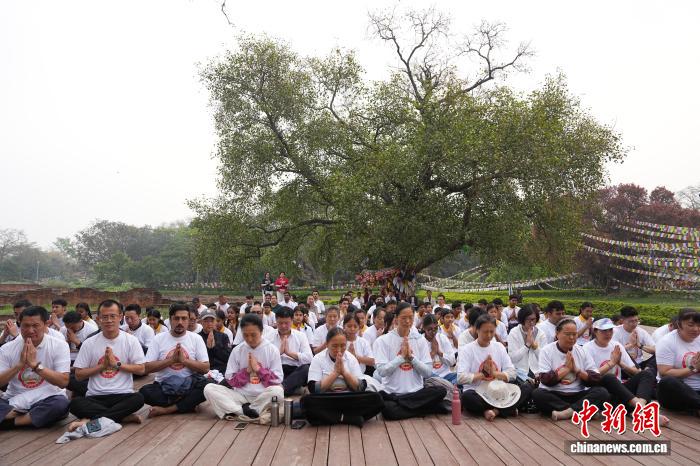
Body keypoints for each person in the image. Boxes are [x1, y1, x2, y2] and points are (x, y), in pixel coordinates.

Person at [68, 300, 146, 431]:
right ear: (98, 319)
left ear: (120, 317)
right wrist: (101, 366)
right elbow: (79, 375)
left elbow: (141, 369)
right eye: (104, 317)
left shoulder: (131, 341)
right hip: (95, 396)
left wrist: (117, 364)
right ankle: (120, 416)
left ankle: (91, 421)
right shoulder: (89, 343)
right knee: (75, 404)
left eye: (112, 316)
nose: (109, 320)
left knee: (138, 398)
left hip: (122, 395)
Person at [373, 302, 448, 420]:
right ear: (396, 318)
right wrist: (401, 357)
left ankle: (405, 405)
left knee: (441, 390)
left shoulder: (419, 340)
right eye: (404, 318)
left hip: (416, 392)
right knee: (387, 409)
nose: (407, 321)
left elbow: (428, 372)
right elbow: (382, 371)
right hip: (393, 393)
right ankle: (425, 408)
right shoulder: (383, 341)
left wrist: (412, 358)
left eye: (410, 318)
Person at [203, 314, 284, 421]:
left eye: (253, 335)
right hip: (240, 396)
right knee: (209, 389)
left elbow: (277, 379)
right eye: (245, 335)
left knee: (277, 391)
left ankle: (244, 410)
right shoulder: (237, 350)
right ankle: (245, 411)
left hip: (263, 395)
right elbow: (230, 379)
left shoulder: (272, 350)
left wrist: (258, 369)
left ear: (261, 331)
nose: (249, 339)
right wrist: (247, 371)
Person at [0, 305, 70, 428]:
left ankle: (10, 422)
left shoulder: (59, 345)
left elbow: (63, 382)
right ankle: (28, 417)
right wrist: (19, 365)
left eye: (35, 326)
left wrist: (35, 365)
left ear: (46, 324)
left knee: (60, 404)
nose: (30, 330)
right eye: (26, 326)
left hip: (47, 398)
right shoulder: (7, 348)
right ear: (19, 325)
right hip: (14, 399)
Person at [301, 327, 384, 426]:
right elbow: (314, 389)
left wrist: (344, 372)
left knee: (377, 399)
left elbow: (361, 387)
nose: (339, 350)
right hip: (327, 399)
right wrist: (335, 373)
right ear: (327, 345)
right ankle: (348, 418)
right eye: (334, 346)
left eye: (343, 346)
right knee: (306, 402)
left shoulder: (351, 358)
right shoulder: (318, 359)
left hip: (349, 398)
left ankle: (332, 417)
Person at [140, 303, 211, 418]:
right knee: (144, 393)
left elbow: (205, 368)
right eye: (176, 318)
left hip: (189, 385)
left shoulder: (196, 339)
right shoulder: (158, 339)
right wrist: (171, 361)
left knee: (209, 386)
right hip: (164, 386)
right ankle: (187, 404)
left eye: (184, 318)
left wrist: (184, 361)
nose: (180, 322)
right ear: (170, 320)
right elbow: (146, 368)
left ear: (189, 320)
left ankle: (168, 409)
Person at [584, 318, 663, 419]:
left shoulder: (616, 346)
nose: (608, 334)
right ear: (595, 331)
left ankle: (639, 407)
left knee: (646, 374)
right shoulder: (587, 348)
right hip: (602, 394)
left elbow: (636, 371)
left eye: (610, 330)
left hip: (621, 393)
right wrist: (611, 363)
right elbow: (590, 376)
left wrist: (621, 363)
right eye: (604, 331)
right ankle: (643, 410)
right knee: (609, 377)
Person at [532, 319, 609, 421]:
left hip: (577, 394)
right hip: (555, 394)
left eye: (574, 334)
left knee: (602, 392)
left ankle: (567, 412)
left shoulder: (582, 351)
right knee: (538, 394)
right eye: (567, 334)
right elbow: (545, 380)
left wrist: (577, 370)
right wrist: (566, 369)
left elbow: (595, 378)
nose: (572, 337)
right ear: (557, 333)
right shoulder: (546, 351)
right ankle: (581, 411)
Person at [458, 315, 524, 420]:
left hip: (499, 392)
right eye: (485, 332)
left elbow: (512, 373)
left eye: (492, 331)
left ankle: (494, 411)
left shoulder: (499, 347)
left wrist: (494, 374)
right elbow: (460, 378)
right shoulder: (467, 350)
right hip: (478, 393)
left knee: (525, 388)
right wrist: (482, 374)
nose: (489, 335)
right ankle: (507, 408)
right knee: (467, 397)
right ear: (477, 330)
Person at [656, 308, 700, 415]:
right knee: (667, 382)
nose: (696, 329)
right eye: (691, 325)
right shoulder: (667, 342)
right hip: (677, 393)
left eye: (699, 325)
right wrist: (693, 368)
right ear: (679, 325)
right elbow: (664, 372)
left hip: (698, 390)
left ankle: (696, 406)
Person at [264, 307, 313, 396]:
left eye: (286, 323)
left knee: (306, 369)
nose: (283, 326)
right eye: (280, 323)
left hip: (294, 371)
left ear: (292, 320)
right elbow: (263, 360)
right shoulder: (268, 336)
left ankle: (281, 389)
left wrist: (289, 353)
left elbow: (309, 358)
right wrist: (278, 353)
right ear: (276, 321)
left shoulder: (300, 336)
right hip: (276, 369)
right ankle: (292, 389)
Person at [507, 305, 547, 383]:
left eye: (533, 319)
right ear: (522, 319)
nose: (531, 322)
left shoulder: (541, 334)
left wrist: (535, 347)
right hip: (519, 371)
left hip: (537, 371)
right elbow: (512, 358)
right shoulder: (514, 333)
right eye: (528, 319)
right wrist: (527, 345)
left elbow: (544, 358)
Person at [612, 306, 655, 370]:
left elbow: (655, 349)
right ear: (622, 320)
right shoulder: (615, 331)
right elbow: (612, 352)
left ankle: (644, 371)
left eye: (636, 320)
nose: (634, 324)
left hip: (640, 363)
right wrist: (631, 345)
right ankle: (643, 373)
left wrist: (640, 346)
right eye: (631, 321)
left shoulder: (641, 331)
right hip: (624, 366)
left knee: (659, 356)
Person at [422, 314, 456, 384]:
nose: (433, 332)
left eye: (435, 328)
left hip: (446, 375)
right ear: (424, 328)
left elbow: (452, 361)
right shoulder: (420, 341)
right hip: (431, 377)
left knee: (460, 377)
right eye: (430, 329)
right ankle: (447, 385)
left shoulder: (442, 338)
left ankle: (446, 385)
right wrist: (433, 352)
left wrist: (440, 353)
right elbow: (421, 368)